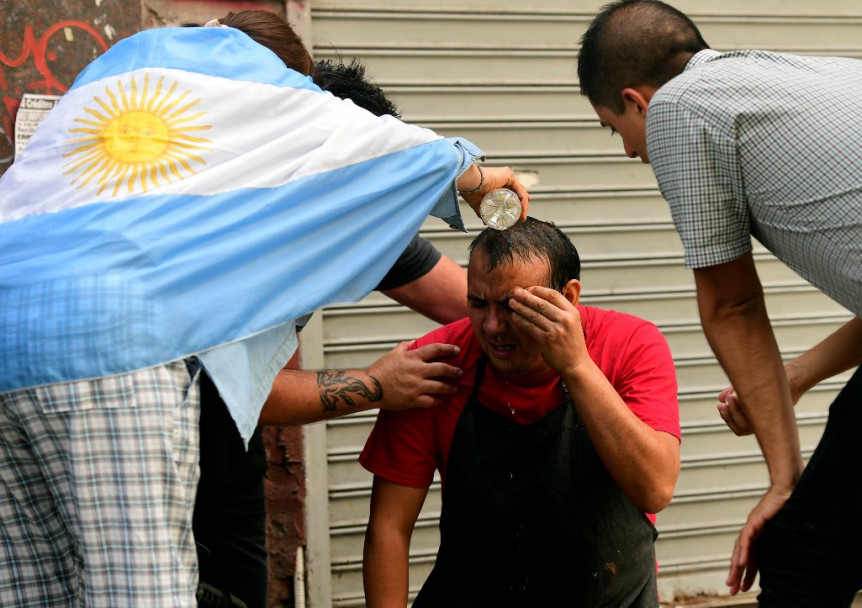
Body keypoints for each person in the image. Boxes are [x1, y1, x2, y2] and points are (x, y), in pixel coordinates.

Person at [0, 10, 530, 607]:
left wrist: (546, 326)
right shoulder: (282, 151)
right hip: (113, 358)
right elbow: (391, 151)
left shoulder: (132, 76)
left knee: (37, 591)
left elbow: (462, 300)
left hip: (11, 336)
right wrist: (478, 176)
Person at [576, 1, 862, 606]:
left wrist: (783, 481)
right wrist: (795, 377)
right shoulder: (802, 76)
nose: (630, 152)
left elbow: (732, 306)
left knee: (802, 563)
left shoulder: (680, 109)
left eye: (614, 128)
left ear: (636, 102)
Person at [194, 55, 470, 608]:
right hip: (159, 453)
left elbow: (470, 301)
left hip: (230, 464)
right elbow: (253, 389)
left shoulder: (352, 215)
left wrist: (575, 337)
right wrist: (374, 383)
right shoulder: (240, 229)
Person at [359, 218, 681, 608]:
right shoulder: (435, 365)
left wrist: (577, 366)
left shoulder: (629, 345)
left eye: (513, 306)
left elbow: (655, 488)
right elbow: (389, 529)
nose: (492, 326)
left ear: (569, 298)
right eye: (478, 303)